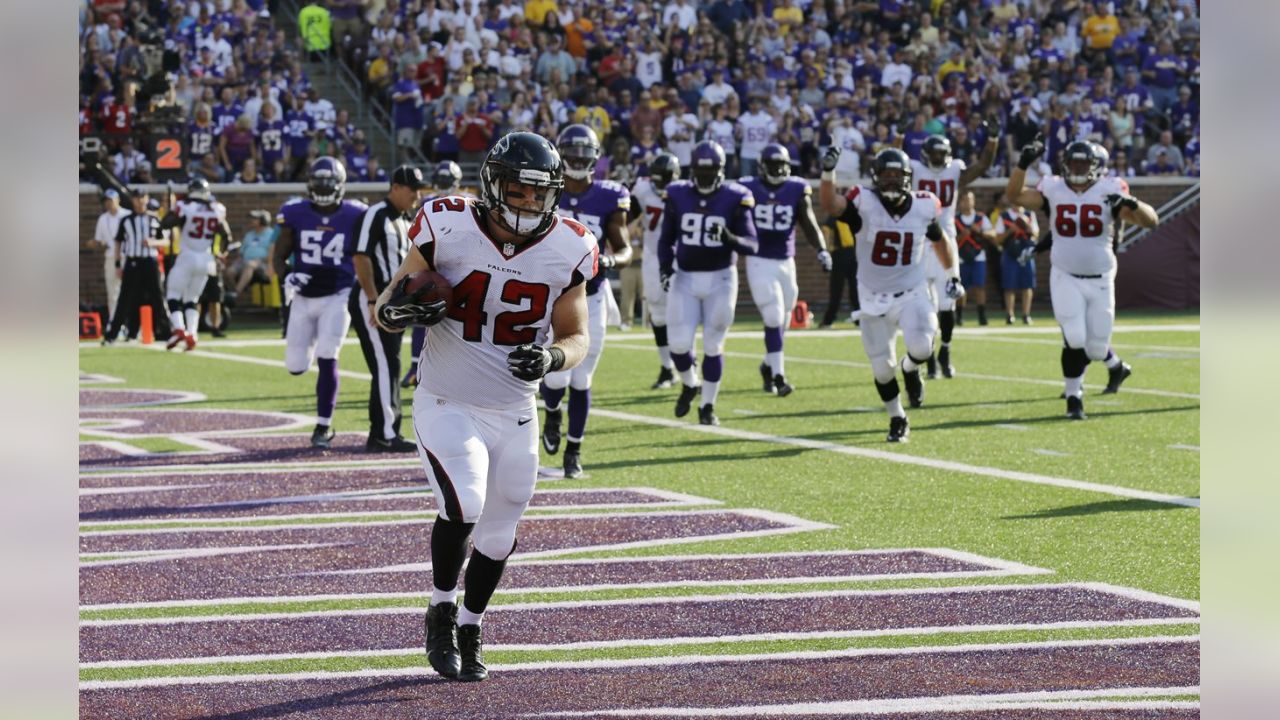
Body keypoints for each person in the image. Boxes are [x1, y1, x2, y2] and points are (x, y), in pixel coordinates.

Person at [372, 132, 593, 683]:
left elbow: (577, 335)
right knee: (464, 502)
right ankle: (441, 607)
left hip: (515, 408)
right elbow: (386, 303)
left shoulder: (571, 246)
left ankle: (471, 622)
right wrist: (396, 312)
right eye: (517, 192)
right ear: (494, 186)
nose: (527, 203)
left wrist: (550, 357)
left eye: (538, 195)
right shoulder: (446, 222)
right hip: (448, 397)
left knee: (497, 534)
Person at [1006, 137, 1158, 419]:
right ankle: (1074, 397)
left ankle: (1112, 369)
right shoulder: (1053, 189)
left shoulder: (1110, 189)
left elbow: (1151, 221)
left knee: (1098, 349)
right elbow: (1014, 197)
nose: (1077, 168)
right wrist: (1023, 164)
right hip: (1065, 274)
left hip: (1101, 277)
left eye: (1083, 163)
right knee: (1074, 337)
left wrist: (1131, 203)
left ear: (1095, 166)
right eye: (1073, 162)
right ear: (1064, 165)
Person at [819, 146, 961, 443]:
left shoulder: (923, 206)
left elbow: (940, 240)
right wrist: (828, 172)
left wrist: (952, 275)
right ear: (876, 177)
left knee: (922, 347)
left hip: (912, 292)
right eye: (886, 175)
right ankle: (898, 417)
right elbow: (831, 205)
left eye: (898, 175)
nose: (892, 181)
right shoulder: (865, 203)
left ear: (908, 178)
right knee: (882, 369)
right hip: (872, 296)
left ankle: (910, 369)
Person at [540, 125, 633, 479]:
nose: (577, 159)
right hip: (549, 293)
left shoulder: (610, 197)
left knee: (582, 378)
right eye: (572, 152)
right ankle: (551, 413)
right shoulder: (547, 189)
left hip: (591, 296)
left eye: (584, 152)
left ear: (595, 157)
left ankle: (573, 451)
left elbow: (623, 246)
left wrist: (612, 260)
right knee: (554, 371)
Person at [658, 140, 759, 426]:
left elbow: (752, 243)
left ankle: (707, 406)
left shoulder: (736, 196)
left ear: (720, 170)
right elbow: (666, 238)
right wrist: (665, 266)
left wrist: (731, 238)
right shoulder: (677, 194)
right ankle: (691, 383)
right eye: (700, 171)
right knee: (677, 345)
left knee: (714, 345)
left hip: (721, 278)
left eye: (710, 170)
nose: (704, 177)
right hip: (685, 276)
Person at [271, 157, 369, 448]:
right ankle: (308, 347)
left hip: (338, 295)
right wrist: (286, 275)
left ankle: (323, 427)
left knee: (329, 354)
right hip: (302, 296)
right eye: (319, 183)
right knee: (296, 365)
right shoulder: (294, 213)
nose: (324, 188)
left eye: (329, 183)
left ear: (340, 186)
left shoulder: (356, 214)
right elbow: (279, 254)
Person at [739, 143, 830, 396]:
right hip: (759, 260)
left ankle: (768, 365)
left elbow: (808, 222)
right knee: (773, 315)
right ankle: (779, 377)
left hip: (786, 262)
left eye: (782, 165)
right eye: (773, 165)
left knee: (784, 319)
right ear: (762, 167)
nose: (778, 169)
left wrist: (821, 250)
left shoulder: (796, 188)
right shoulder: (748, 188)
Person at [351, 165, 428, 453]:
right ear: (395, 187)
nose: (417, 196)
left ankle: (382, 430)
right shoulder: (375, 215)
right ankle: (385, 432)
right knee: (386, 365)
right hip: (375, 300)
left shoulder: (406, 219)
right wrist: (373, 299)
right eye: (412, 189)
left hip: (396, 301)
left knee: (391, 364)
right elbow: (361, 258)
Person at [913, 125, 999, 378]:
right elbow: (892, 166)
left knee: (947, 303)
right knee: (922, 306)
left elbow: (982, 165)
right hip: (919, 244)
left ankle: (945, 351)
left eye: (942, 154)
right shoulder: (915, 171)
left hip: (946, 244)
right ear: (927, 154)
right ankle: (927, 357)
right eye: (935, 154)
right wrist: (897, 137)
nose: (939, 159)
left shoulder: (954, 171)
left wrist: (992, 139)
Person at [402, 160, 467, 389]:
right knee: (420, 319)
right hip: (430, 268)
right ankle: (414, 367)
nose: (443, 185)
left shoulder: (467, 204)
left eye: (447, 181)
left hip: (459, 270)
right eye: (440, 181)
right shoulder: (426, 203)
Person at [159, 178, 233, 352]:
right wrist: (222, 252)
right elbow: (227, 236)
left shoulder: (185, 206)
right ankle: (192, 333)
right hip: (206, 259)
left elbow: (166, 224)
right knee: (192, 299)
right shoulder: (216, 208)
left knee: (173, 294)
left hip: (187, 255)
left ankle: (178, 328)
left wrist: (172, 211)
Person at [627, 152, 681, 389]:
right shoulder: (641, 189)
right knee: (657, 313)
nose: (660, 186)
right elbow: (628, 210)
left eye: (664, 181)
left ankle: (688, 361)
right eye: (657, 181)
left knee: (680, 312)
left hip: (679, 258)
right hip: (651, 256)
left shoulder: (683, 192)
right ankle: (667, 368)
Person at [103, 191, 171, 344]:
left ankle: (165, 332)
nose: (140, 201)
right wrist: (118, 264)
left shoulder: (154, 219)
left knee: (157, 296)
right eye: (136, 198)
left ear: (146, 199)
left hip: (150, 261)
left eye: (142, 198)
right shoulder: (126, 220)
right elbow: (118, 242)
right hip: (132, 262)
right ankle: (112, 334)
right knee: (125, 298)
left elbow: (165, 241)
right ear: (133, 200)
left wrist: (153, 243)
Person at [953, 190, 995, 327]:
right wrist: (961, 236)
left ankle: (981, 315)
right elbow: (949, 239)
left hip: (978, 255)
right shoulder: (955, 219)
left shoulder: (981, 218)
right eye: (964, 199)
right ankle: (959, 315)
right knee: (961, 287)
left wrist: (980, 231)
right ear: (960, 202)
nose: (967, 202)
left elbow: (992, 234)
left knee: (979, 286)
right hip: (960, 257)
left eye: (970, 199)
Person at [995, 199, 1039, 325]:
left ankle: (1026, 314)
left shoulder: (1030, 215)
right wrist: (1011, 230)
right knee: (1009, 285)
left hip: (1026, 252)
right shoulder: (1004, 216)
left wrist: (1027, 227)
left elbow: (1036, 235)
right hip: (1010, 252)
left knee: (1027, 285)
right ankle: (1010, 314)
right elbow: (998, 238)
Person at [92, 189, 128, 330]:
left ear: (118, 200)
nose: (108, 204)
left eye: (111, 200)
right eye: (106, 201)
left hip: (127, 257)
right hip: (111, 257)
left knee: (128, 292)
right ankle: (115, 324)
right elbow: (99, 240)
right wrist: (97, 243)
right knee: (112, 292)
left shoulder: (127, 215)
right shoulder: (102, 219)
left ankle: (130, 324)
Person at [818, 213, 859, 327]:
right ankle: (858, 319)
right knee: (852, 289)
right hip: (848, 254)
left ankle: (828, 321)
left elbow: (825, 231)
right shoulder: (842, 214)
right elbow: (826, 230)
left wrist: (827, 249)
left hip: (843, 254)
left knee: (839, 290)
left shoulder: (837, 214)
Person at [228, 210, 276, 297]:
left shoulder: (271, 234)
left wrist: (261, 260)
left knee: (250, 265)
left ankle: (236, 293)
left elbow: (273, 254)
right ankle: (236, 290)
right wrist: (238, 259)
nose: (251, 220)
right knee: (229, 271)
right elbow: (242, 252)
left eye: (255, 218)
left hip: (262, 263)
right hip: (245, 261)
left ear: (263, 220)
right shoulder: (249, 234)